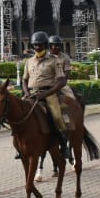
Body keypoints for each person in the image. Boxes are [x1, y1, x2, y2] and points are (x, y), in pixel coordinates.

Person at [24, 31, 72, 161]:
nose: (37, 48)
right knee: (17, 111)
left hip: (48, 93)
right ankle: (20, 145)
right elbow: (24, 80)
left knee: (57, 115)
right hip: (32, 93)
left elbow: (62, 81)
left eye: (40, 45)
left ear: (45, 45)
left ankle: (63, 145)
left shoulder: (54, 61)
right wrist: (27, 93)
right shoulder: (29, 61)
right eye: (35, 45)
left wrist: (45, 94)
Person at [47, 35, 78, 106]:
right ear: (50, 46)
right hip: (46, 82)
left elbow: (67, 72)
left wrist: (62, 82)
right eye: (55, 45)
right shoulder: (45, 57)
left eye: (59, 45)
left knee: (71, 98)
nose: (58, 47)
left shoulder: (65, 57)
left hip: (60, 83)